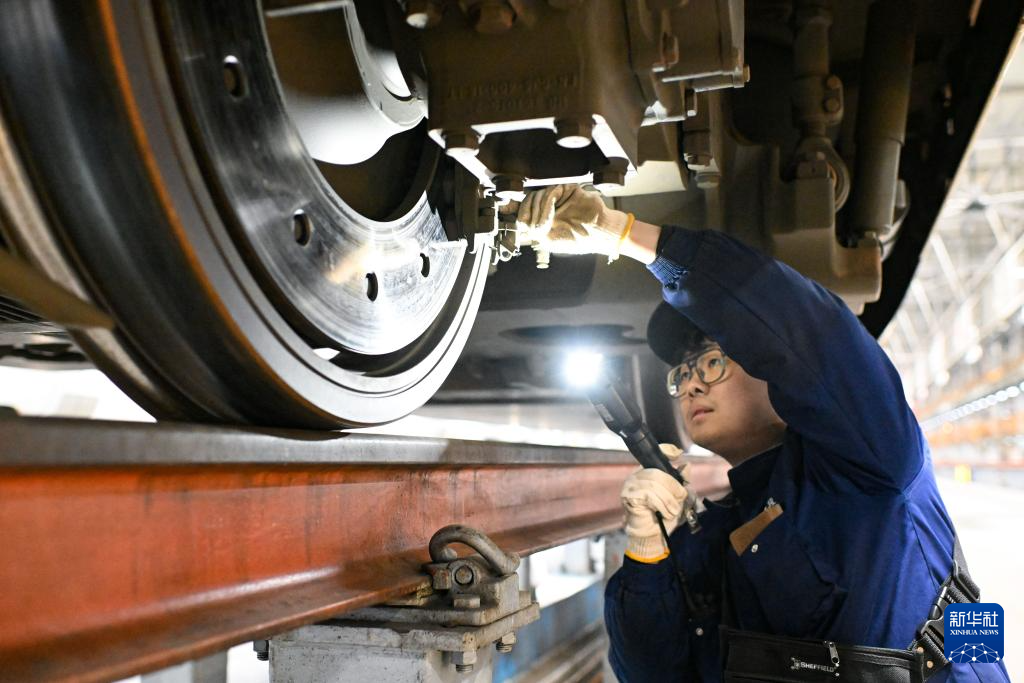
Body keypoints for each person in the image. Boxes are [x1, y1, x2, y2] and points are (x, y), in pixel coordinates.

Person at [515, 184, 1010, 682]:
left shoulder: (873, 460)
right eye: (682, 374)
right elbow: (655, 673)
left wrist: (627, 234)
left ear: (772, 364)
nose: (691, 383)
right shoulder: (719, 530)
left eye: (711, 361)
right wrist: (648, 550)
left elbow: (811, 333)